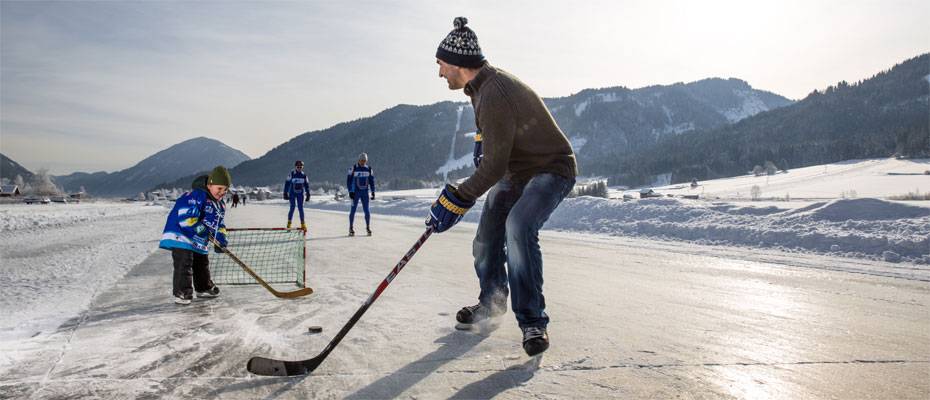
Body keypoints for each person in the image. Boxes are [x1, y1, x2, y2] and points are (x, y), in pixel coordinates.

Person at [426, 17, 577, 357]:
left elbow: (493, 167)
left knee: (518, 226)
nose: (439, 73)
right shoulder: (480, 88)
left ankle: (533, 321)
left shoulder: (493, 91)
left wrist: (457, 198)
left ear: (457, 63)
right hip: (518, 171)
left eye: (440, 65)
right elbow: (494, 148)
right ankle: (491, 302)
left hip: (550, 168)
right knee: (486, 238)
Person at [158, 166, 230, 305]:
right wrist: (200, 229)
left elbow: (219, 225)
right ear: (209, 185)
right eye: (219, 188)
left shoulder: (220, 205)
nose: (222, 192)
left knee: (202, 262)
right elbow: (186, 217)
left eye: (225, 189)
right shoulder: (196, 195)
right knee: (185, 262)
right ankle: (182, 292)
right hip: (181, 234)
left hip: (198, 238)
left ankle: (203, 287)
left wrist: (220, 240)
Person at [346, 152, 375, 236]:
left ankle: (368, 227)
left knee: (367, 210)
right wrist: (350, 191)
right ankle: (351, 227)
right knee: (353, 210)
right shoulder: (353, 168)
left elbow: (372, 181)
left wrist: (373, 191)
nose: (363, 162)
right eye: (362, 160)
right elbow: (349, 181)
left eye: (365, 161)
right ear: (359, 160)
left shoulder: (369, 169)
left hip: (365, 193)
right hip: (355, 193)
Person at [284, 160, 310, 230]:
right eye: (298, 167)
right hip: (292, 193)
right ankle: (289, 224)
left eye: (300, 167)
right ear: (295, 167)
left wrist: (308, 194)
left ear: (302, 167)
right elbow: (287, 184)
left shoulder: (304, 175)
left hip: (300, 194)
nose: (299, 168)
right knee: (292, 207)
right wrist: (285, 193)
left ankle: (303, 224)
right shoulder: (291, 174)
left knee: (300, 208)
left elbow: (307, 185)